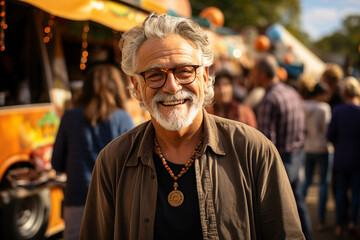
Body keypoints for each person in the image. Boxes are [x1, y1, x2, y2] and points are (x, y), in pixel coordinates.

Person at [80, 13, 305, 240]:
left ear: (205, 78)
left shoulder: (253, 151)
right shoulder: (113, 162)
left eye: (185, 71)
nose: (172, 86)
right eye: (155, 75)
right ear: (136, 86)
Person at [51, 64, 134, 240]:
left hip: (77, 197)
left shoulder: (70, 116)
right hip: (115, 201)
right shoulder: (123, 119)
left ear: (86, 87)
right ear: (117, 87)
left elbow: (56, 162)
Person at [253, 54, 312, 239]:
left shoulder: (270, 99)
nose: (251, 76)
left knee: (277, 212)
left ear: (262, 74)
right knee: (297, 203)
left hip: (283, 160)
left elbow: (265, 143)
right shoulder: (291, 91)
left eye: (254, 72)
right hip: (297, 155)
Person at [298, 75, 332, 230]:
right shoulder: (323, 108)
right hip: (323, 148)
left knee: (306, 181)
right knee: (324, 183)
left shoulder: (302, 105)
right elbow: (327, 130)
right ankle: (320, 219)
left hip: (307, 147)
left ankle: (298, 212)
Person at [327, 76, 360, 238]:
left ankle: (339, 224)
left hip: (340, 156)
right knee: (356, 193)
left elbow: (330, 134)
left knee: (340, 192)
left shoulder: (337, 110)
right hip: (357, 159)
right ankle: (353, 222)